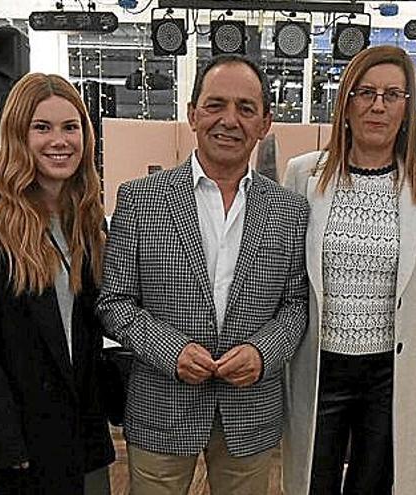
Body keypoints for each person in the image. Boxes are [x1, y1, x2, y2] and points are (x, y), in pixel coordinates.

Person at [96, 54, 309, 495]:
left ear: (265, 123)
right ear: (192, 114)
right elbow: (114, 302)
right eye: (215, 105)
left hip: (250, 410)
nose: (229, 120)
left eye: (246, 108)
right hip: (161, 405)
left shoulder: (290, 210)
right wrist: (170, 350)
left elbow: (296, 306)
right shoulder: (140, 200)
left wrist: (263, 352)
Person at [282, 45, 416, 495]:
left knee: (374, 485)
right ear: (346, 103)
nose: (378, 105)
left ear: (405, 108)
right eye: (366, 92)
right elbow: (290, 277)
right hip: (319, 365)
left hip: (391, 373)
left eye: (392, 95)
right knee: (311, 482)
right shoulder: (303, 174)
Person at [0, 73, 115, 494]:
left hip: (81, 432)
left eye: (70, 127)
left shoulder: (88, 221)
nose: (60, 141)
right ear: (18, 135)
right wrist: (5, 442)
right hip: (18, 438)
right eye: (42, 127)